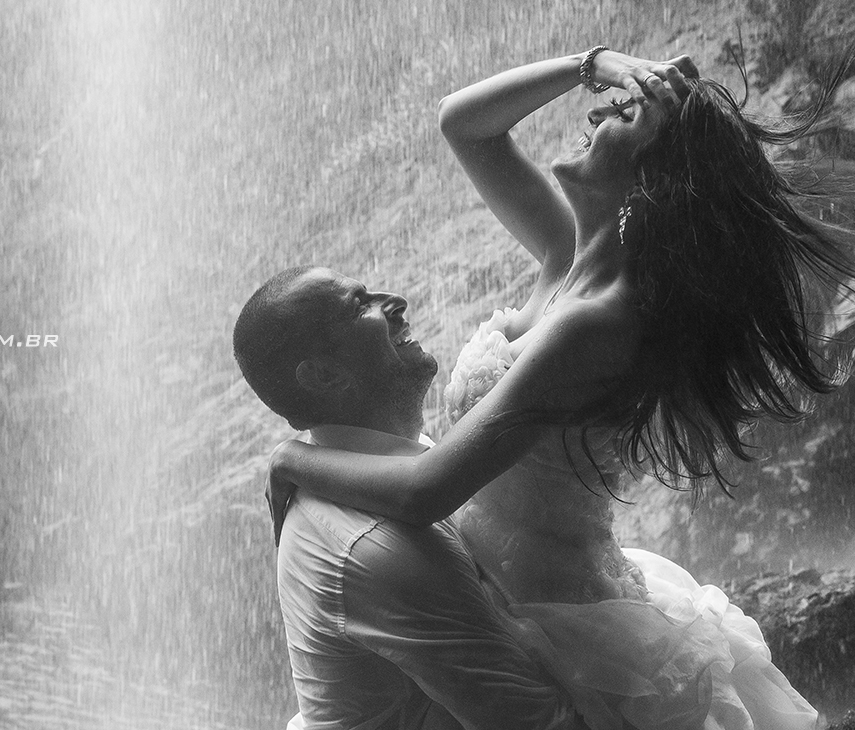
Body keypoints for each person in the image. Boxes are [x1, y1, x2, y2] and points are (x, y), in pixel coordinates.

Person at [265, 47, 855, 729]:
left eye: (622, 117)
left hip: (557, 617)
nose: (597, 114)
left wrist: (293, 459)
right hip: (497, 582)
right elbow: (463, 124)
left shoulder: (598, 321)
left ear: (650, 181)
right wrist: (595, 62)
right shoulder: (569, 255)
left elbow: (426, 491)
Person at [233, 266, 589, 730]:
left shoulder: (363, 457)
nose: (396, 300)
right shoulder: (377, 546)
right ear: (323, 374)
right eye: (360, 304)